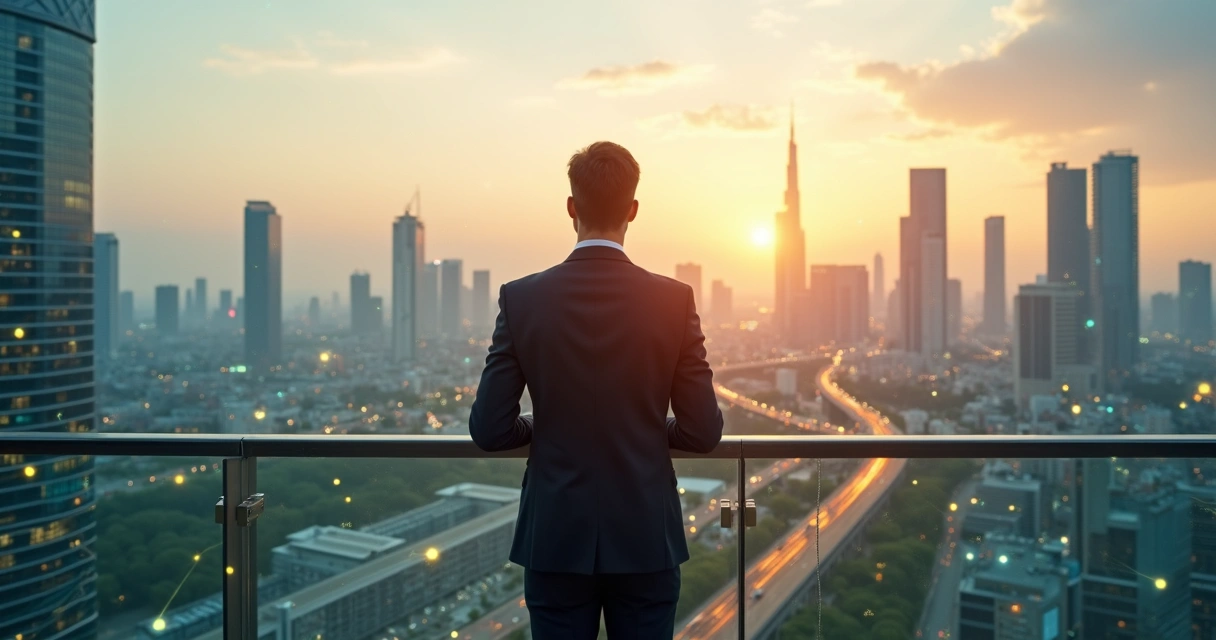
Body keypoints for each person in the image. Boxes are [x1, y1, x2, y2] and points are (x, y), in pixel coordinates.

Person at [469, 141, 724, 638]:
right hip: (646, 535)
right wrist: (646, 429)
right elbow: (703, 431)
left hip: (555, 537)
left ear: (571, 208)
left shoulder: (522, 298)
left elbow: (489, 429)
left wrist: (552, 428)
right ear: (633, 210)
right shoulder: (673, 301)